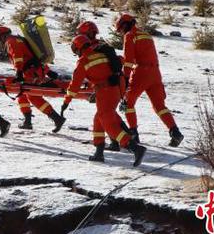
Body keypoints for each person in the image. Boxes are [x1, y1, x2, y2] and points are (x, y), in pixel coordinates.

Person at [61, 35, 147, 166]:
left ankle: (134, 147)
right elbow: (120, 61)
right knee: (99, 119)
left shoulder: (84, 61)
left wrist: (66, 102)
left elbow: (74, 85)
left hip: (106, 91)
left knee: (107, 121)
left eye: (74, 49)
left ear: (78, 48)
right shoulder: (101, 53)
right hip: (118, 86)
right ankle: (99, 152)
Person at [114, 13, 184, 147]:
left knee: (128, 103)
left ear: (125, 25)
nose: (121, 33)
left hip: (141, 72)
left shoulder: (130, 36)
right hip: (155, 73)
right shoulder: (146, 35)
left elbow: (128, 61)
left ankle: (133, 134)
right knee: (159, 106)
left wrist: (126, 78)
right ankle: (175, 132)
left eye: (121, 30)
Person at [0, 26, 65, 132]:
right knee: (22, 94)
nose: (1, 44)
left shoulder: (10, 41)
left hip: (30, 73)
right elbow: (33, 56)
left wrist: (19, 72)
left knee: (34, 97)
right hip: (33, 71)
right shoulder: (20, 39)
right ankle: (27, 122)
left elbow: (18, 57)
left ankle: (57, 118)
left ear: (1, 36)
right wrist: (47, 71)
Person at [76, 20, 130, 152]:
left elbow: (101, 69)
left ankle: (127, 140)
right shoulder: (100, 46)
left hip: (111, 85)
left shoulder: (96, 47)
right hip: (114, 84)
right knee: (107, 113)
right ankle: (120, 140)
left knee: (105, 114)